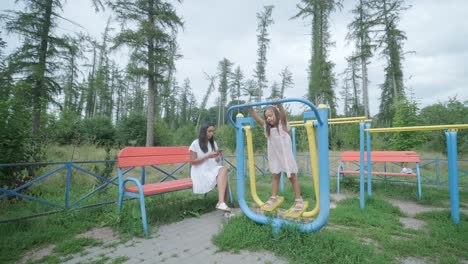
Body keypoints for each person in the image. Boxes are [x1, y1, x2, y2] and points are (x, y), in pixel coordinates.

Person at [247, 99, 305, 213]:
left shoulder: (282, 125)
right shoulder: (266, 128)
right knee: (275, 176)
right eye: (267, 116)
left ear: (276, 115)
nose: (268, 118)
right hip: (275, 157)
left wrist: (279, 105)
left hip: (286, 156)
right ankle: (273, 197)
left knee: (292, 177)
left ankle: (299, 199)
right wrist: (250, 107)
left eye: (270, 115)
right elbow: (256, 117)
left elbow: (283, 115)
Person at [189, 122, 231, 212]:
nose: (211, 133)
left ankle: (221, 203)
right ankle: (224, 207)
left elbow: (215, 161)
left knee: (224, 171)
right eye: (209, 131)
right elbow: (192, 162)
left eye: (212, 131)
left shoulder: (213, 143)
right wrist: (207, 156)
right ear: (203, 131)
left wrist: (218, 157)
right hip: (200, 171)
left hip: (212, 169)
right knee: (224, 177)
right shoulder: (195, 143)